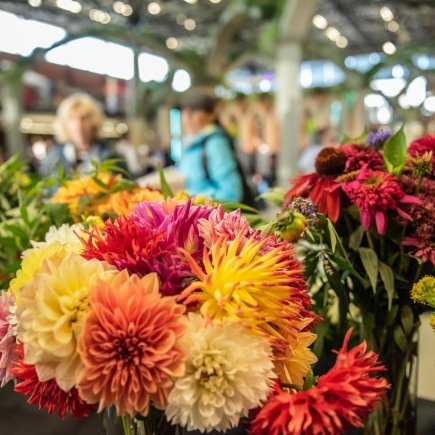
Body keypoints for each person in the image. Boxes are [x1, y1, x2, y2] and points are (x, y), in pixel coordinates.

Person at [40, 93, 126, 177]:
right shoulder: (53, 159)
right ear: (64, 124)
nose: (78, 125)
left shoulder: (112, 156)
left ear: (94, 121)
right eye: (72, 118)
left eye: (84, 118)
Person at [178, 94, 243, 202]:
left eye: (193, 111)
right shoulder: (192, 144)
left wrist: (190, 199)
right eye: (184, 112)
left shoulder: (215, 144)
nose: (187, 117)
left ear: (211, 115)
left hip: (206, 211)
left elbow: (231, 193)